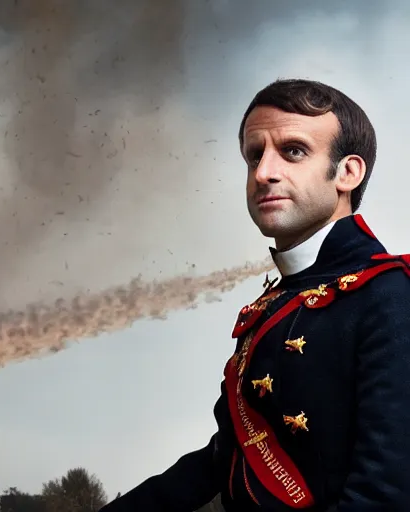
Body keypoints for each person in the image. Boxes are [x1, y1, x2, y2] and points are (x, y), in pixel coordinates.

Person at [99, 78, 410, 511]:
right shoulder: (278, 303)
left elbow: (385, 495)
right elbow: (221, 459)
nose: (264, 172)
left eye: (293, 151)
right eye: (253, 156)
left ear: (347, 172)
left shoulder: (390, 295)